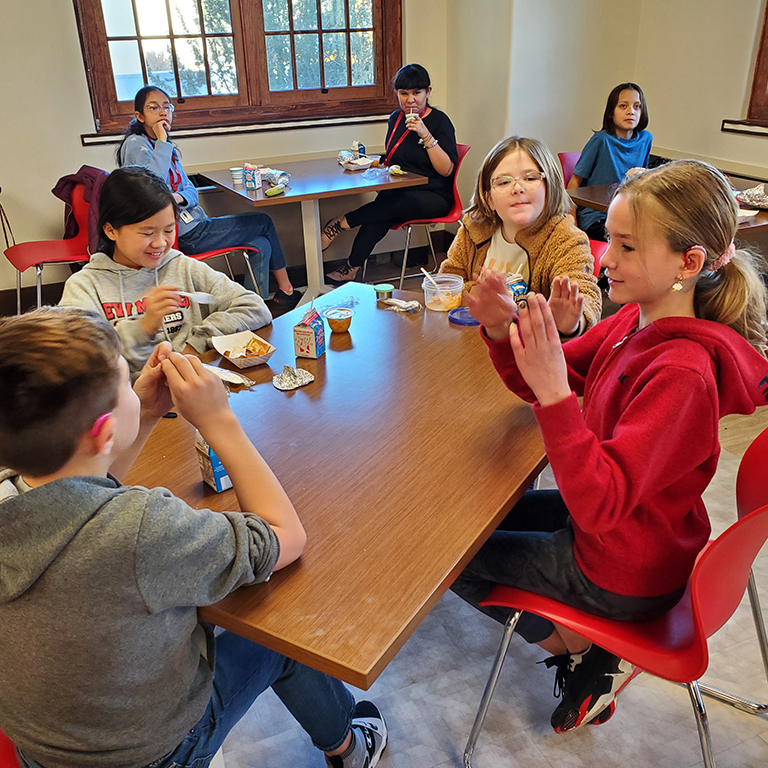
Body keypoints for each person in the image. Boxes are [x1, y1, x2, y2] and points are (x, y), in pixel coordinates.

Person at [451, 159, 768, 732]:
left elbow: (599, 501)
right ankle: (588, 651)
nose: (605, 257)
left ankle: (581, 652)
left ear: (688, 264)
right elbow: (539, 377)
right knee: (467, 518)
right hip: (618, 530)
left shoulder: (684, 373)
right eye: (608, 239)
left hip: (626, 570)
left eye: (624, 246)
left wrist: (553, 396)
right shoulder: (632, 323)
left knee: (446, 561)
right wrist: (503, 332)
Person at [0, 306, 387, 768]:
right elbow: (285, 536)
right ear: (103, 432)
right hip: (152, 752)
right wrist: (218, 420)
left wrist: (140, 414)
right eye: (126, 381)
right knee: (278, 641)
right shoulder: (142, 529)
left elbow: (75, 498)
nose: (135, 385)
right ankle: (348, 747)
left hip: (41, 751)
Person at [60, 166, 272, 380]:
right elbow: (77, 361)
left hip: (192, 389)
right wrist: (142, 328)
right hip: (134, 404)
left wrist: (196, 344)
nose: (161, 243)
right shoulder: (85, 286)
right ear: (111, 230)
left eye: (169, 230)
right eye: (147, 232)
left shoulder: (182, 267)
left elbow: (254, 307)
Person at [118, 85, 301, 306]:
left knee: (261, 243)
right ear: (140, 116)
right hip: (182, 234)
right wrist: (163, 143)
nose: (163, 112)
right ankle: (287, 290)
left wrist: (175, 199)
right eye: (154, 107)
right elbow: (150, 189)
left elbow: (190, 191)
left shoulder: (166, 147)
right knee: (263, 221)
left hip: (195, 223)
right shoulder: (138, 144)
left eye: (167, 107)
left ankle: (254, 304)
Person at [439, 136, 601, 337]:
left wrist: (572, 322)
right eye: (504, 181)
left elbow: (586, 297)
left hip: (533, 356)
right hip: (475, 345)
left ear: (549, 188)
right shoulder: (473, 230)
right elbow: (448, 284)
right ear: (489, 198)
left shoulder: (566, 239)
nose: (517, 188)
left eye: (531, 178)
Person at [323, 63, 458, 284]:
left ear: (428, 92)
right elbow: (393, 158)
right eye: (404, 93)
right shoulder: (396, 119)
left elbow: (446, 170)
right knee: (384, 209)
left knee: (391, 205)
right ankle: (352, 267)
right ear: (397, 93)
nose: (410, 99)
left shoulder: (439, 121)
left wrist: (426, 135)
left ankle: (342, 224)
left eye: (417, 93)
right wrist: (371, 166)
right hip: (400, 190)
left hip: (434, 195)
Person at [568, 83, 652, 241]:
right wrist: (573, 225)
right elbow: (574, 183)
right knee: (628, 242)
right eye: (623, 106)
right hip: (596, 216)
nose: (631, 112)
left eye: (637, 106)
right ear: (611, 112)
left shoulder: (646, 139)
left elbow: (642, 179)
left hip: (627, 215)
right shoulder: (601, 140)